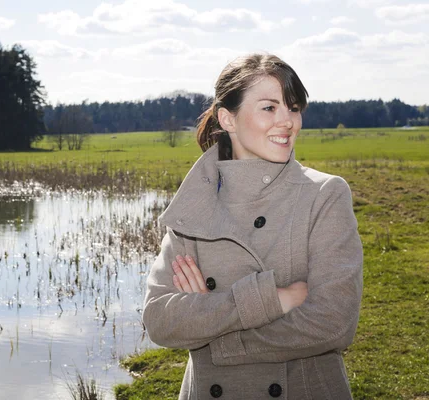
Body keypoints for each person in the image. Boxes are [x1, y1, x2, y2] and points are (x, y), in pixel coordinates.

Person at [142, 53, 363, 399]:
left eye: (293, 108)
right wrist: (275, 299)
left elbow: (333, 323)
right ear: (228, 119)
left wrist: (212, 327)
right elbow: (159, 320)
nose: (288, 121)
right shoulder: (195, 206)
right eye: (269, 108)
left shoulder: (324, 195)